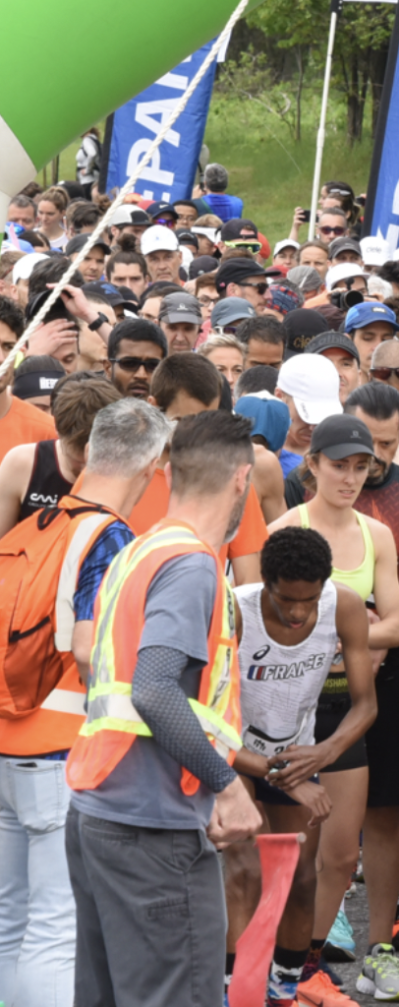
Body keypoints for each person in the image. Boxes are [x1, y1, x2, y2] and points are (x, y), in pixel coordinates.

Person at [65, 411, 261, 1004]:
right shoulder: (192, 563)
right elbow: (153, 690)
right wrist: (227, 784)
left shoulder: (139, 550)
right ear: (242, 480)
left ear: (168, 474)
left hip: (103, 809)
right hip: (152, 828)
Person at [0, 398, 164, 1007]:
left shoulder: (36, 522)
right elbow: (94, 652)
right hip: (63, 753)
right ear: (149, 469)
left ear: (89, 451)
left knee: (10, 920)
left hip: (9, 736)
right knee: (55, 928)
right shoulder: (110, 536)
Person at [267, 416, 399, 995]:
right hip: (287, 708)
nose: (350, 478)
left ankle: (307, 963)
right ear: (313, 464)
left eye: (360, 467)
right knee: (292, 853)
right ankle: (274, 963)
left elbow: (398, 625)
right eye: (339, 466)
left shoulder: (376, 534)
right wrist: (354, 635)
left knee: (341, 853)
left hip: (347, 706)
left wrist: (349, 639)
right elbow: (267, 620)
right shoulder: (285, 529)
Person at [225, 527, 376, 1007]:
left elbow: (366, 705)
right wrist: (277, 774)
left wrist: (323, 753)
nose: (297, 612)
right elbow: (205, 718)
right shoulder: (236, 610)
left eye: (308, 600)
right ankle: (232, 993)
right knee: (246, 866)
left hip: (295, 753)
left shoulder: (343, 605)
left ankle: (283, 992)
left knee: (300, 877)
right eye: (285, 599)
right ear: (265, 582)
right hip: (235, 752)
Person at [0, 375, 119, 535]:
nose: (85, 470)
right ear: (56, 428)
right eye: (77, 461)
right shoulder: (22, 463)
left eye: (96, 460)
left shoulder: (130, 468)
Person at [103, 318, 167, 401]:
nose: (141, 375)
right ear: (108, 367)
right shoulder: (89, 408)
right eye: (130, 364)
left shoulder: (179, 407)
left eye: (153, 366)